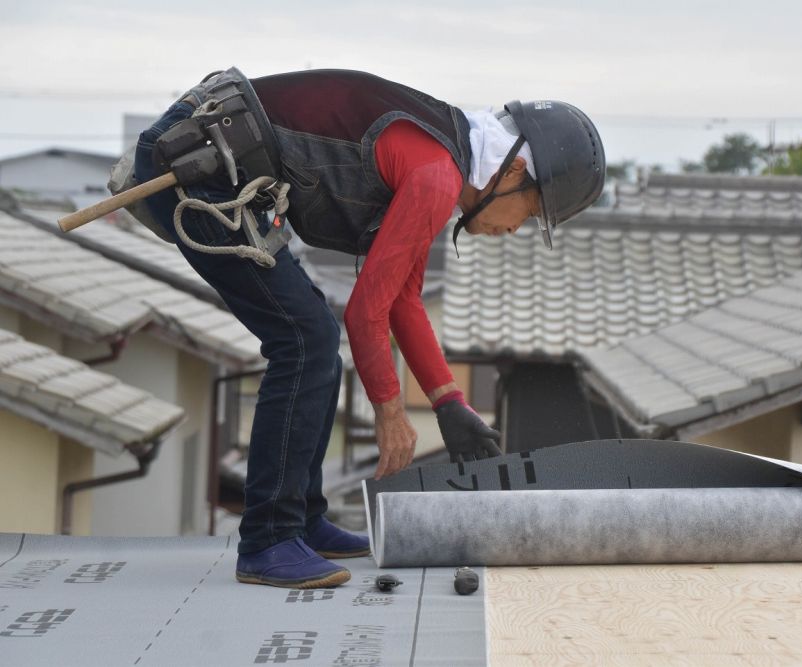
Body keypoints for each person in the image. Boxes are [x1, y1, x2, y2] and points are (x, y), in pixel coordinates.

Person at [132, 68, 605, 589]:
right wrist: (390, 411)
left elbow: (404, 299)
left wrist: (449, 403)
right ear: (513, 170)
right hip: (195, 165)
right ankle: (269, 541)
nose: (514, 229)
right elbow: (364, 312)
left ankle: (303, 523)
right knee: (305, 340)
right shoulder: (436, 173)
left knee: (313, 340)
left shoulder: (444, 162)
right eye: (531, 212)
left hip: (219, 158)